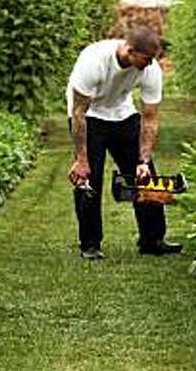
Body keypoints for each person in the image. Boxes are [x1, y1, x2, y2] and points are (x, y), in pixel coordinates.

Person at [66, 27, 182, 260]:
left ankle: (152, 239)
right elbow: (78, 112)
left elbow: (149, 118)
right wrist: (81, 159)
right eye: (146, 59)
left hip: (122, 114)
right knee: (89, 179)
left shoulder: (151, 69)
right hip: (89, 116)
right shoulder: (94, 61)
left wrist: (143, 160)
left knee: (146, 176)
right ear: (130, 51)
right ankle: (90, 244)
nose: (150, 65)